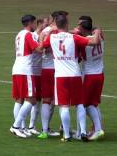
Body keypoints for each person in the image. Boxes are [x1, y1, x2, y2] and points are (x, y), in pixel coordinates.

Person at [41, 15, 101, 142]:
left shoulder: (51, 37)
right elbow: (94, 42)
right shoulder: (74, 37)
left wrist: (47, 33)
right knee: (79, 104)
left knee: (64, 106)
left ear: (56, 24)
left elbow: (41, 47)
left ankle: (67, 135)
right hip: (75, 75)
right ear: (67, 23)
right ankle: (83, 132)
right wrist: (98, 31)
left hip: (61, 76)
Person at [10, 14, 42, 138]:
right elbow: (38, 49)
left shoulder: (19, 34)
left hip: (17, 68)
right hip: (25, 70)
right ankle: (16, 126)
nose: (35, 25)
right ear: (30, 23)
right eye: (34, 23)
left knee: (19, 99)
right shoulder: (28, 35)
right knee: (32, 99)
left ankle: (21, 127)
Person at [37, 11, 68, 139]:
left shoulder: (46, 31)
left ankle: (45, 130)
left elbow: (40, 47)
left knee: (47, 100)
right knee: (60, 101)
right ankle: (57, 128)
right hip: (56, 69)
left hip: (46, 68)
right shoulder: (55, 31)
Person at [78, 19, 105, 140]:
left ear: (84, 29)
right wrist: (98, 31)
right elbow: (98, 33)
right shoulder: (100, 38)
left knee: (84, 104)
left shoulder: (86, 42)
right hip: (100, 74)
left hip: (89, 76)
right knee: (93, 103)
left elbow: (79, 58)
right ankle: (98, 129)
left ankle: (96, 129)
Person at [28, 17, 49, 135]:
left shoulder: (43, 36)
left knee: (39, 101)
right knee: (32, 100)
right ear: (39, 24)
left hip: (41, 72)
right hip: (33, 72)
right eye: (46, 24)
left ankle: (32, 126)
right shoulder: (34, 37)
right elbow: (39, 50)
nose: (47, 26)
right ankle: (26, 126)